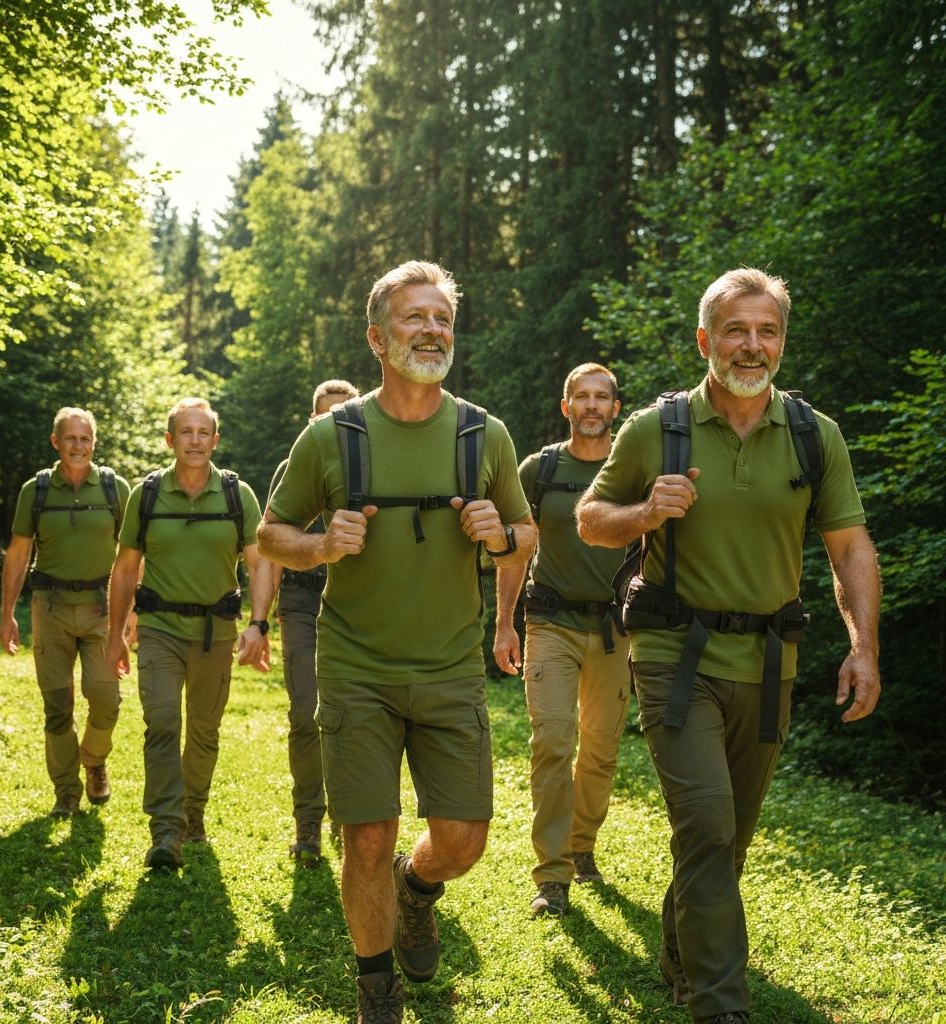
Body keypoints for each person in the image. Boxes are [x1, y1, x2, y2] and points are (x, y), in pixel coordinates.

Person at [575, 268, 881, 1024]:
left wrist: (863, 646)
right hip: (675, 653)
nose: (752, 345)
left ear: (781, 342)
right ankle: (721, 1007)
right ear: (706, 340)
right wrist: (646, 509)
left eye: (767, 330)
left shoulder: (815, 435)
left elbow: (849, 548)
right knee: (707, 822)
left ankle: (682, 947)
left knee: (730, 837)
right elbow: (589, 518)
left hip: (771, 659)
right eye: (736, 331)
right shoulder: (658, 428)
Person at [258, 261, 535, 1024]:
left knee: (463, 840)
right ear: (378, 337)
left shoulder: (485, 433)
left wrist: (501, 533)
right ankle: (375, 989)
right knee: (369, 838)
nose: (432, 329)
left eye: (442, 317)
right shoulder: (331, 437)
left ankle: (421, 891)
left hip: (449, 667)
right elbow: (270, 533)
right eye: (415, 317)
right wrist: (319, 546)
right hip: (357, 668)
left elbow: (527, 535)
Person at [106, 397, 270, 871]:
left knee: (203, 730)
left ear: (215, 440)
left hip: (215, 633)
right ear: (170, 439)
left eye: (203, 433)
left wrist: (259, 624)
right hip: (158, 629)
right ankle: (165, 829)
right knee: (161, 722)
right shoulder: (147, 494)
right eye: (186, 432)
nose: (195, 441)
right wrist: (116, 633)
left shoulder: (239, 496)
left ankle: (192, 811)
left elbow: (259, 564)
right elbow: (125, 567)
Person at [494, 363, 631, 918]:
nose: (593, 405)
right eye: (583, 396)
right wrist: (505, 623)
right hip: (549, 623)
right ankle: (551, 877)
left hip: (615, 631)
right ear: (566, 406)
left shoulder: (632, 470)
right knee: (552, 742)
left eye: (603, 397)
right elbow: (515, 550)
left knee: (599, 750)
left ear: (616, 408)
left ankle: (582, 847)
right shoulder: (540, 470)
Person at [0, 408, 131, 818]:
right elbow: (19, 554)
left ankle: (94, 759)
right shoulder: (34, 491)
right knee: (57, 706)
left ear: (94, 442)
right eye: (70, 439)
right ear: (56, 442)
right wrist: (7, 613)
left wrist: (131, 615)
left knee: (106, 697)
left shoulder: (114, 489)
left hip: (101, 609)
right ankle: (66, 793)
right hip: (49, 608)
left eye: (85, 439)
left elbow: (133, 557)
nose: (78, 446)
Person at [262, 378, 360, 867]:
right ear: (312, 419)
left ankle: (351, 817)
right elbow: (270, 544)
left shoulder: (372, 462)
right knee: (306, 712)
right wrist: (259, 619)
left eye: (343, 412)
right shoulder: (293, 465)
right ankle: (309, 822)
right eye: (324, 414)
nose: (333, 421)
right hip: (302, 603)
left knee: (354, 718)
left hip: (361, 606)